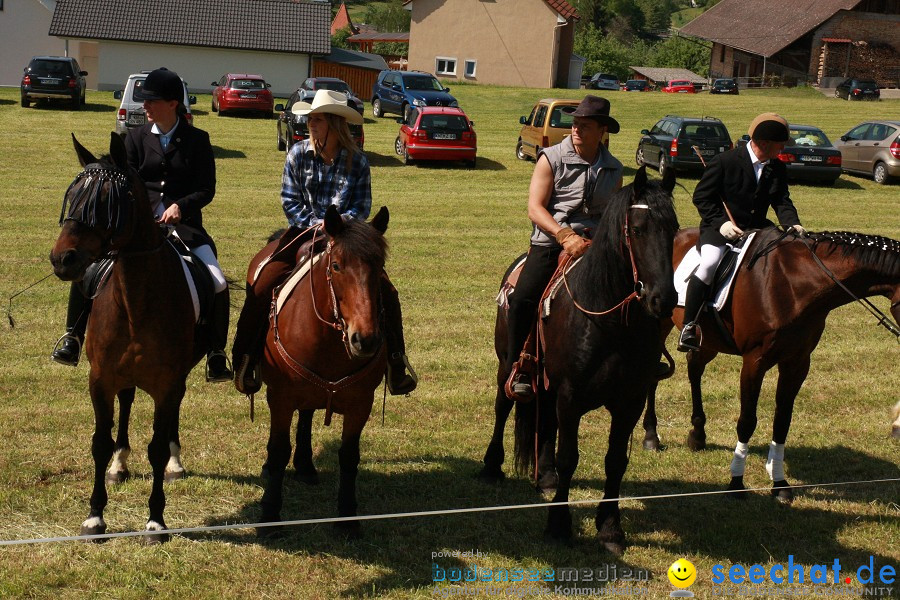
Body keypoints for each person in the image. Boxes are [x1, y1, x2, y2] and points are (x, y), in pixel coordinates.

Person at [51, 67, 233, 383]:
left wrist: (180, 206)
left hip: (185, 227)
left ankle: (216, 352)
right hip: (135, 227)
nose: (144, 106)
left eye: (151, 101)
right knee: (92, 270)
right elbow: (124, 183)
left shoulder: (198, 140)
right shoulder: (133, 138)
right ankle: (73, 336)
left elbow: (207, 188)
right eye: (144, 101)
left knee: (216, 280)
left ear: (173, 103)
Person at [231, 89, 417, 396]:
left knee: (386, 290)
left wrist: (340, 223)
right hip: (302, 232)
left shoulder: (357, 161)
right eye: (310, 119)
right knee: (263, 281)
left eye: (316, 119)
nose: (310, 124)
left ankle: (395, 363)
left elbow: (362, 205)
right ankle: (246, 358)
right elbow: (289, 199)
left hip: (344, 237)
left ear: (334, 122)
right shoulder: (296, 154)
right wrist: (314, 224)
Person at [505, 95, 623, 400]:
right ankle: (518, 363)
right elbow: (535, 208)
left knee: (635, 292)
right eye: (575, 123)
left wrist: (600, 241)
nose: (576, 130)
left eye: (585, 125)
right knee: (523, 299)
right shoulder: (551, 158)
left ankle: (638, 358)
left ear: (602, 131)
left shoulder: (614, 168)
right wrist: (564, 235)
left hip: (596, 247)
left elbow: (612, 215)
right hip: (550, 243)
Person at [677, 112, 806, 352]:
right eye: (780, 144)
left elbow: (781, 200)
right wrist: (721, 223)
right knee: (709, 264)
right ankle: (689, 325)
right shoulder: (725, 161)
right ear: (764, 143)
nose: (782, 149)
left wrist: (792, 224)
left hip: (757, 229)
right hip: (719, 230)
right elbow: (702, 198)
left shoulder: (776, 167)